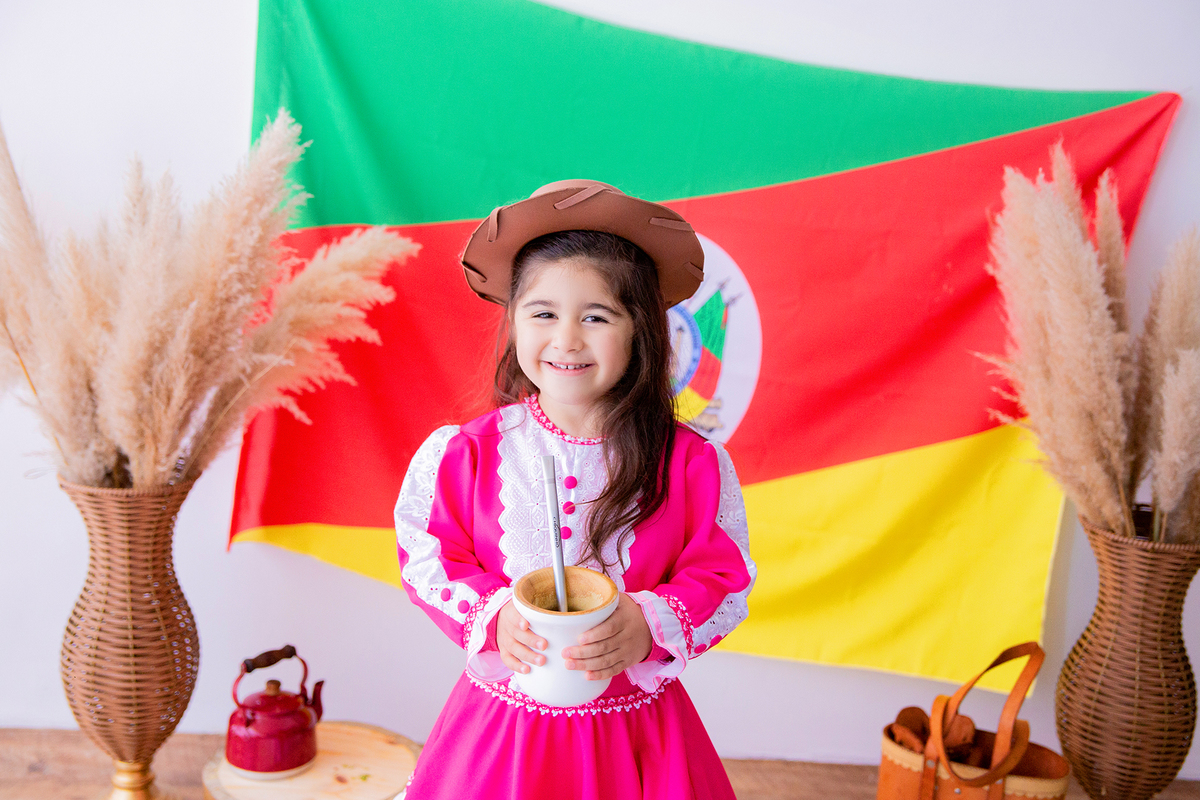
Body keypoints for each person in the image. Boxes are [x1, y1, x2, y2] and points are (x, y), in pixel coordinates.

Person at [394, 180, 756, 799]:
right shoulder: (467, 453)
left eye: (596, 316)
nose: (565, 339)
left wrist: (648, 624)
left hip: (637, 740)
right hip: (502, 738)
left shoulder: (692, 464)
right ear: (512, 322)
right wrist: (494, 613)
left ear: (641, 329)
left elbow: (724, 578)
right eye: (543, 314)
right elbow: (429, 554)